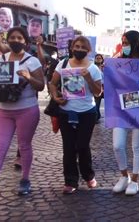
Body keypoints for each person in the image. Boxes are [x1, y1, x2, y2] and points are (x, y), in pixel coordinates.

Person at [0, 27, 45, 196]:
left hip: (27, 110)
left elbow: (41, 85)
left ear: (25, 41)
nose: (15, 40)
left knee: (24, 146)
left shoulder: (32, 61)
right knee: (0, 147)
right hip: (3, 110)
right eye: (12, 37)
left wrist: (29, 77)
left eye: (19, 38)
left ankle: (25, 179)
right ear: (7, 40)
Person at [49, 36, 102, 194]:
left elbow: (98, 92)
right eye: (76, 46)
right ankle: (70, 180)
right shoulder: (62, 64)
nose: (79, 49)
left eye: (82, 47)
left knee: (82, 145)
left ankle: (88, 175)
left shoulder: (93, 68)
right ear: (72, 48)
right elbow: (52, 83)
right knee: (69, 147)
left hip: (87, 113)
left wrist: (88, 78)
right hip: (66, 111)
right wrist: (55, 97)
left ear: (88, 50)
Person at [111, 31, 139, 196]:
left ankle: (134, 180)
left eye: (126, 42)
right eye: (123, 42)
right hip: (121, 109)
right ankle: (124, 176)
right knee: (117, 145)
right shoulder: (118, 62)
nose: (124, 45)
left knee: (137, 146)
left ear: (136, 43)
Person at [93, 54, 104, 122]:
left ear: (102, 59)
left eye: (100, 58)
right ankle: (96, 117)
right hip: (97, 87)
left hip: (105, 87)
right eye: (97, 58)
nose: (98, 59)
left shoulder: (104, 67)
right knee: (97, 103)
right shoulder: (93, 67)